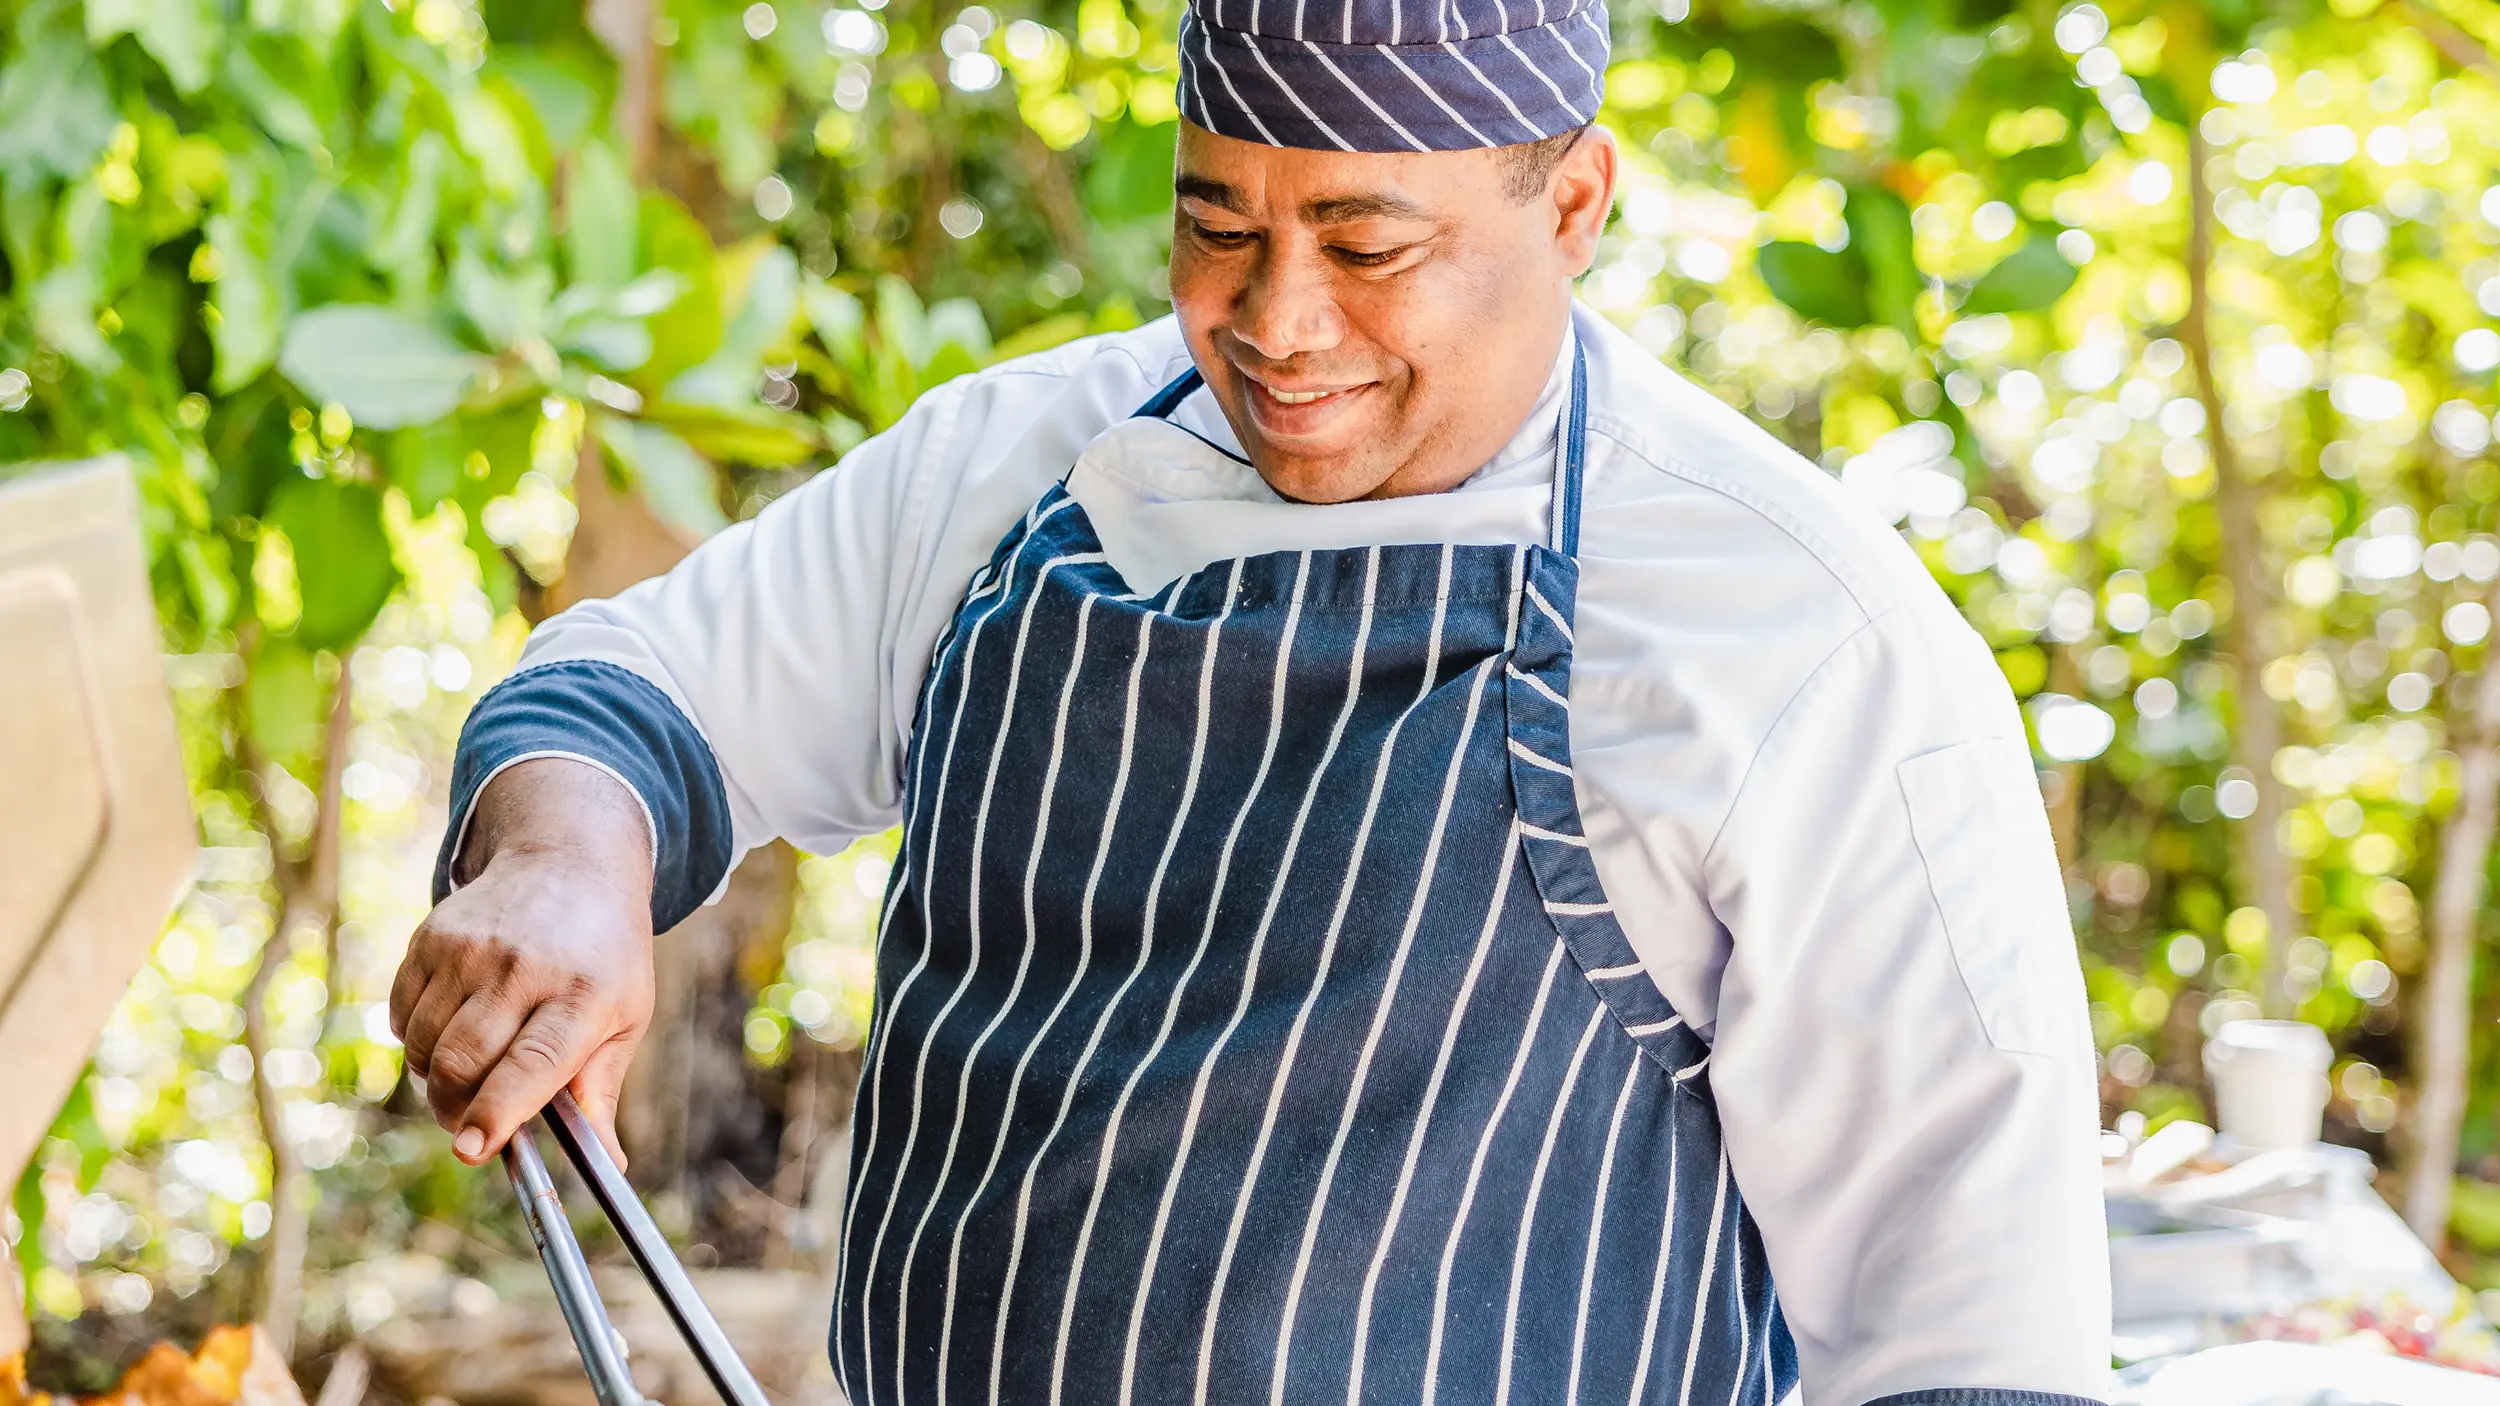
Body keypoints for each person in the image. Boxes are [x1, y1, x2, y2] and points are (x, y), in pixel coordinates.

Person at [390, 0, 2111, 1398]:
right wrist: (561, 865)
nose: (1276, 320)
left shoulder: (1798, 640)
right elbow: (628, 694)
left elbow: (1971, 1337)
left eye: (1369, 244)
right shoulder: (1020, 468)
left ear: (1574, 201)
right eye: (1220, 225)